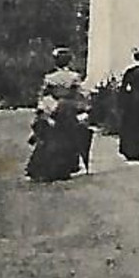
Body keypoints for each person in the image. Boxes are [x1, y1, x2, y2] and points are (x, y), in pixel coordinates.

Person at [27, 47, 93, 182]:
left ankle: (48, 168)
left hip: (54, 107)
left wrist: (43, 109)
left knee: (52, 137)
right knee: (68, 137)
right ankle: (65, 168)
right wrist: (85, 108)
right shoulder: (74, 77)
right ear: (69, 61)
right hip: (69, 108)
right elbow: (81, 94)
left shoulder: (50, 77)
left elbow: (43, 95)